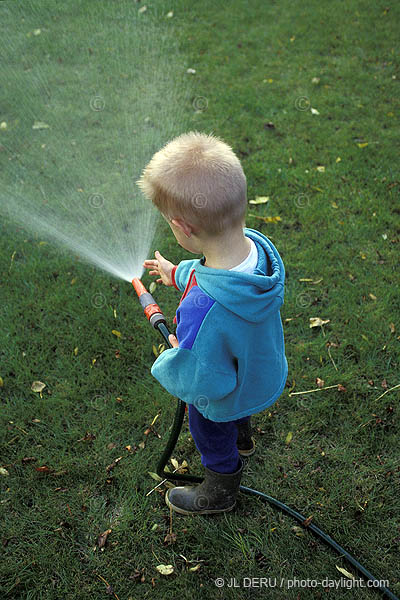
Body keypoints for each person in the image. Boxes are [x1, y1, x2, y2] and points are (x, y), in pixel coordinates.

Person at [137, 131, 288, 515]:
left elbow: (200, 374)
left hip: (223, 389)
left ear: (184, 228)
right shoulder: (258, 253)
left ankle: (220, 487)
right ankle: (243, 437)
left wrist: (176, 355)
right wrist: (178, 273)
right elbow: (214, 271)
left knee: (207, 423)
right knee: (237, 401)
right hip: (257, 371)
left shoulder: (204, 310)